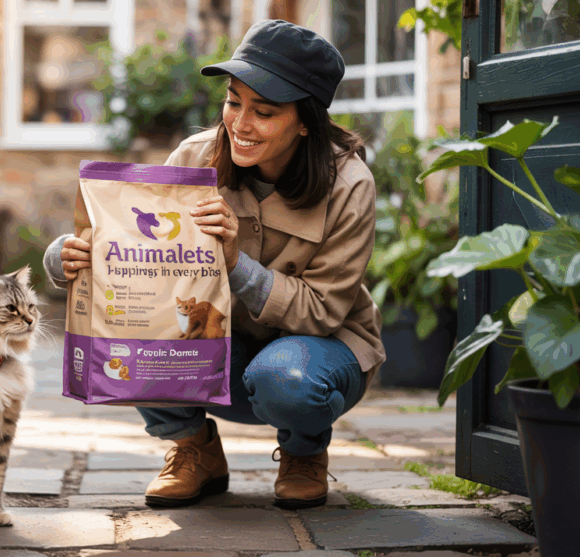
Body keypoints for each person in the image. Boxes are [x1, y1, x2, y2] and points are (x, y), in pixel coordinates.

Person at [43, 20, 385, 510]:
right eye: (233, 101)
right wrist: (66, 258)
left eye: (264, 112)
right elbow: (139, 255)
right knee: (134, 333)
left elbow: (323, 312)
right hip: (220, 349)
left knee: (284, 379)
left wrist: (235, 263)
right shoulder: (195, 158)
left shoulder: (349, 184)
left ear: (305, 120)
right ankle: (193, 448)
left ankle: (304, 451)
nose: (240, 124)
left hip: (316, 359)